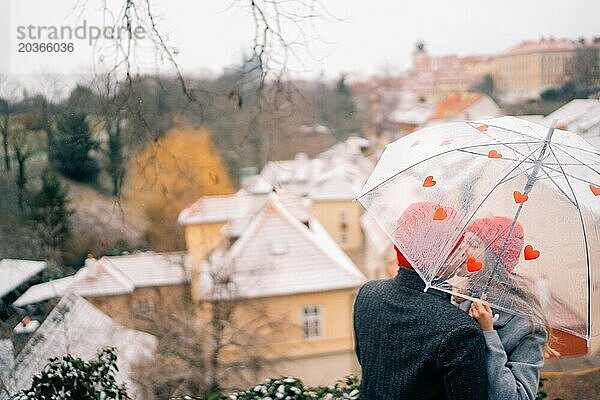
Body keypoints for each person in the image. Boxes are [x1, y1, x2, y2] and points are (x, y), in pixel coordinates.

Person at [353, 202, 488, 400]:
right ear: (441, 256)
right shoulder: (460, 331)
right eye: (458, 245)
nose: (463, 252)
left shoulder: (367, 294)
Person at [454, 216, 548, 400]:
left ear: (494, 260)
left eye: (472, 245)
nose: (462, 250)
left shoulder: (526, 326)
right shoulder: (459, 300)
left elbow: (517, 397)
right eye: (463, 242)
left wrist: (488, 333)